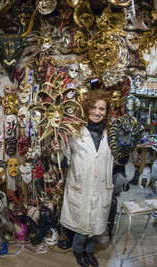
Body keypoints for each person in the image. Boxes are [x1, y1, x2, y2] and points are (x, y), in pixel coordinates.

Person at [51, 89, 114, 267]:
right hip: (81, 185)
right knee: (82, 223)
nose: (97, 112)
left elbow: (118, 160)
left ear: (106, 112)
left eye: (102, 109)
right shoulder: (74, 132)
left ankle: (89, 251)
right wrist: (57, 149)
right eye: (93, 108)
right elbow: (63, 160)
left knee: (95, 223)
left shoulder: (111, 134)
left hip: (101, 187)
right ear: (86, 109)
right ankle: (79, 251)